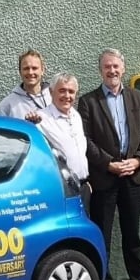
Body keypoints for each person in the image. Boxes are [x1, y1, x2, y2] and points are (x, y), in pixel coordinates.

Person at [78, 48, 140, 280]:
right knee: (102, 234)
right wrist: (109, 164)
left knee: (132, 233)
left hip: (132, 176)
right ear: (100, 70)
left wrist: (137, 160)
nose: (112, 71)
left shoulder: (136, 98)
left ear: (123, 69)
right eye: (107, 67)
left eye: (116, 66)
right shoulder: (88, 101)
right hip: (105, 177)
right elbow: (85, 140)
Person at [27, 72, 91, 208]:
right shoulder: (39, 119)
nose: (67, 96)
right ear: (51, 92)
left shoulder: (76, 115)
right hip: (61, 191)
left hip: (83, 187)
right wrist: (30, 123)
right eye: (62, 91)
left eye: (71, 92)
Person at [0, 49, 52, 118]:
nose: (30, 72)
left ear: (42, 70)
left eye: (34, 68)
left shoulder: (54, 97)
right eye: (26, 68)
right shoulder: (8, 104)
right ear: (20, 72)